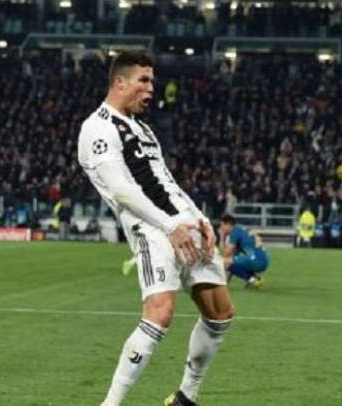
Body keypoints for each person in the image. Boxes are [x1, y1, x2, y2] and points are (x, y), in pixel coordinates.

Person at [77, 50, 234, 406]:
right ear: (120, 82)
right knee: (160, 313)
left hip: (183, 224)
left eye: (152, 81)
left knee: (220, 314)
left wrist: (200, 219)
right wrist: (169, 225)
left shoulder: (144, 128)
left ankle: (186, 397)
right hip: (152, 229)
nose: (151, 89)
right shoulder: (97, 128)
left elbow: (167, 181)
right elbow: (120, 189)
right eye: (144, 81)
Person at [218, 213, 269, 289]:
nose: (220, 228)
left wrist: (222, 236)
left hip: (256, 260)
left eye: (222, 225)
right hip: (263, 260)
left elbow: (226, 254)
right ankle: (255, 278)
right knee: (230, 261)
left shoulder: (234, 232)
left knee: (223, 261)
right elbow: (231, 258)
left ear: (228, 224)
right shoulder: (240, 229)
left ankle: (252, 280)